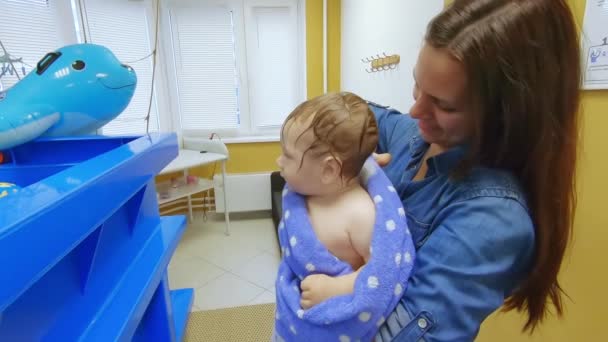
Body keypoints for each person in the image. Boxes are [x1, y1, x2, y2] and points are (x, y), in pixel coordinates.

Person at [363, 0, 581, 341]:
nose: (415, 109)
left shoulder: (492, 217)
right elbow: (359, 110)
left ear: (507, 115)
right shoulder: (414, 135)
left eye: (444, 105)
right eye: (418, 84)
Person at [276, 91, 379, 308]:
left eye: (287, 155)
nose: (279, 161)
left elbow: (379, 272)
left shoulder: (359, 214)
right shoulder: (308, 190)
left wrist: (335, 288)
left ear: (329, 170)